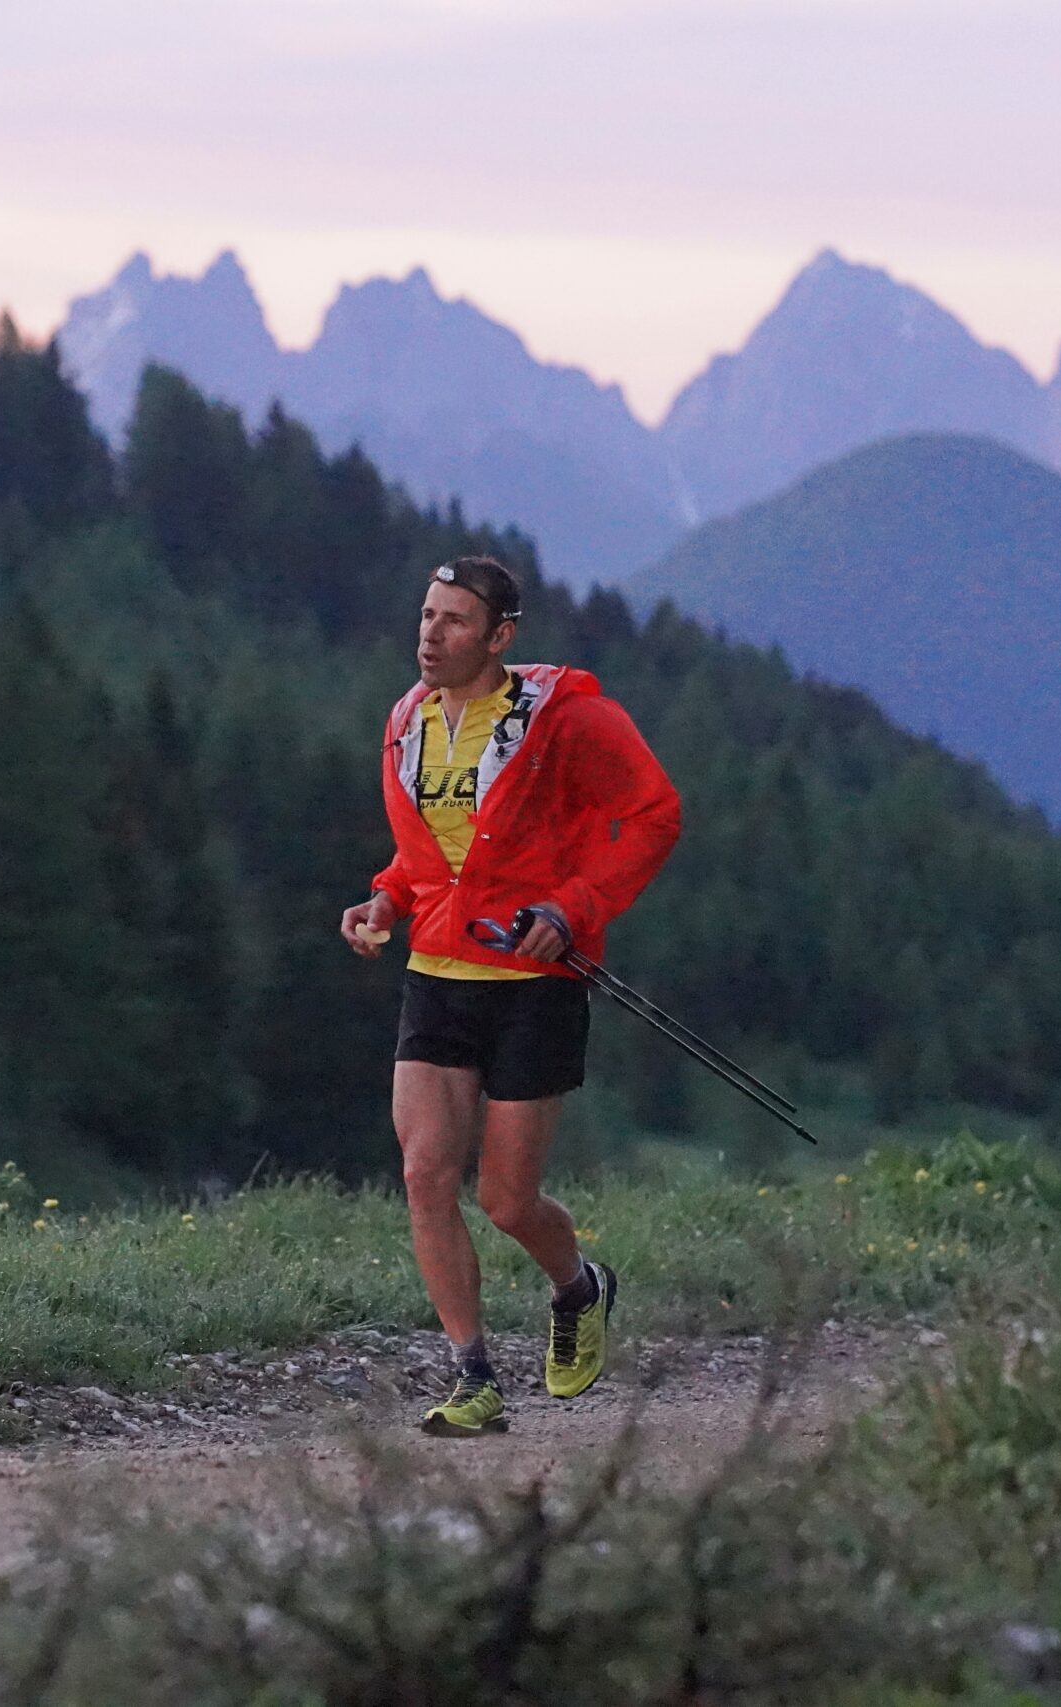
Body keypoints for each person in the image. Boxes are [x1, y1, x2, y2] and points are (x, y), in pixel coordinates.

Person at [339, 555, 681, 1437]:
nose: (430, 632)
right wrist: (385, 899)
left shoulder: (563, 716)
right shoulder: (406, 721)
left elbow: (653, 814)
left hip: (535, 983)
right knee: (422, 1171)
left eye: (454, 620)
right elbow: (425, 857)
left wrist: (575, 907)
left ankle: (579, 1286)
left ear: (501, 637)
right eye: (425, 614)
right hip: (437, 976)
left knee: (506, 1201)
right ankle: (474, 1375)